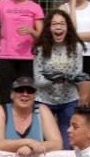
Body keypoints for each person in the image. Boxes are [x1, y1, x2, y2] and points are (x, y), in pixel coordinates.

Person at [33, 9, 84, 147]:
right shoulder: (40, 49)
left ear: (68, 27)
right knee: (43, 143)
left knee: (68, 143)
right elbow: (38, 80)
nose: (58, 27)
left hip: (69, 101)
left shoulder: (77, 47)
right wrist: (54, 79)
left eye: (62, 23)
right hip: (43, 101)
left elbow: (78, 73)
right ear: (49, 28)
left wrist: (70, 78)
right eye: (54, 24)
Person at [0, 76, 62, 155]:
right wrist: (28, 142)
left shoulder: (42, 110)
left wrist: (31, 148)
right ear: (11, 94)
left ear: (35, 95)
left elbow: (57, 144)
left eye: (30, 91)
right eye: (20, 90)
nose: (25, 94)